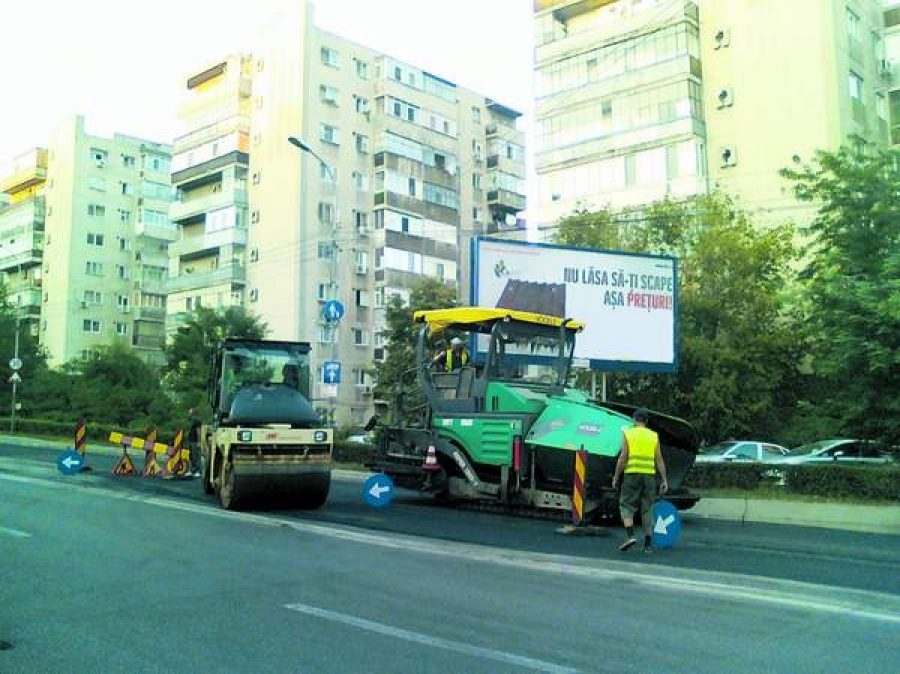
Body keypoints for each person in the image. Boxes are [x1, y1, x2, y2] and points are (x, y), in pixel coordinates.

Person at [611, 408, 668, 553]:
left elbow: (623, 457)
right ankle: (648, 545)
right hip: (649, 476)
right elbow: (659, 459)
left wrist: (616, 476)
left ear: (634, 419)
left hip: (632, 474)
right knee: (647, 508)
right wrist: (664, 480)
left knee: (626, 505)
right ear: (646, 421)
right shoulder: (653, 435)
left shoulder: (628, 433)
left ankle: (630, 536)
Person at [187, 408, 202, 478]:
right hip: (190, 440)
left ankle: (198, 471)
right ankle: (192, 470)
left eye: (190, 412)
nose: (188, 413)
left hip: (195, 441)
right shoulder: (191, 421)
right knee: (191, 456)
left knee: (196, 456)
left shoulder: (197, 421)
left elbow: (198, 431)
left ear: (193, 413)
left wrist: (199, 442)